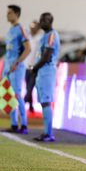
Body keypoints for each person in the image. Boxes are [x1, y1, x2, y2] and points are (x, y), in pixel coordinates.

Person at [30, 13, 60, 142]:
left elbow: (47, 56)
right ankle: (46, 132)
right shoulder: (45, 36)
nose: (41, 22)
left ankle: (49, 134)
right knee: (43, 102)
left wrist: (35, 67)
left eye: (44, 20)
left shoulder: (52, 35)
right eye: (41, 19)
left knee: (46, 101)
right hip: (42, 73)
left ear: (50, 21)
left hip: (47, 72)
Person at [2, 5, 31, 134]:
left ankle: (24, 125)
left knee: (17, 95)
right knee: (9, 95)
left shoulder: (21, 29)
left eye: (9, 13)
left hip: (16, 67)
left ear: (16, 14)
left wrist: (17, 63)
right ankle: (14, 124)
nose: (7, 15)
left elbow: (28, 49)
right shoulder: (11, 30)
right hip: (8, 67)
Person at [24, 20, 44, 113]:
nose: (32, 29)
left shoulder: (40, 38)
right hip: (26, 67)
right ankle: (31, 106)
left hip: (35, 67)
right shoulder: (28, 37)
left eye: (34, 27)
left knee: (31, 87)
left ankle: (24, 101)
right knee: (28, 86)